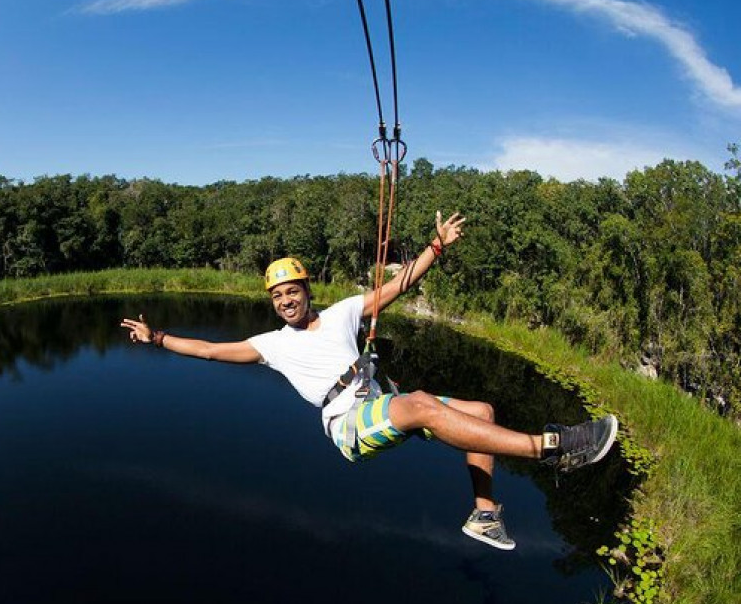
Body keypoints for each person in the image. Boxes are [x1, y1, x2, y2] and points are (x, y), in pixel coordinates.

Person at [120, 211, 618, 551]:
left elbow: (398, 286)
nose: (286, 301)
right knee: (421, 404)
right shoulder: (273, 345)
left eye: (292, 292)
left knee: (482, 411)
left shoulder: (341, 314)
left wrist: (436, 247)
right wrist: (158, 336)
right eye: (278, 297)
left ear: (308, 291)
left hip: (380, 403)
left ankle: (484, 514)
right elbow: (209, 350)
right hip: (347, 426)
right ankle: (552, 448)